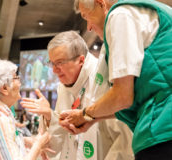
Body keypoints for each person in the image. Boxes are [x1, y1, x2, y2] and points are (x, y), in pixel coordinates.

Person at [59, 0, 172, 160]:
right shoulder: (157, 13)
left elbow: (122, 96)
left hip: (161, 131)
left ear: (100, 3)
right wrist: (91, 118)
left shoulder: (120, 14)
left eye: (86, 17)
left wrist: (85, 114)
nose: (89, 27)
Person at [21, 31, 134, 160]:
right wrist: (49, 116)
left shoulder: (103, 78)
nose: (54, 70)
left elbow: (124, 139)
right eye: (52, 63)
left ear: (80, 60)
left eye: (59, 63)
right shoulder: (63, 88)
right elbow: (58, 139)